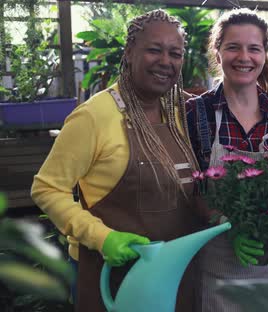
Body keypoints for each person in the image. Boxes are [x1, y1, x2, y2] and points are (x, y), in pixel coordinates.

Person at [31, 9, 206, 312]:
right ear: (129, 52)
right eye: (154, 50)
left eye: (175, 53)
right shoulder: (94, 116)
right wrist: (102, 237)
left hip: (178, 279)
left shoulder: (186, 112)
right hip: (113, 281)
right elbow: (47, 188)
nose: (166, 61)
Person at [185, 8, 268, 312]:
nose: (243, 57)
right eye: (233, 46)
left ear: (266, 53)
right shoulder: (197, 112)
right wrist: (225, 223)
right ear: (217, 51)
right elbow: (188, 189)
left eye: (254, 48)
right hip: (216, 258)